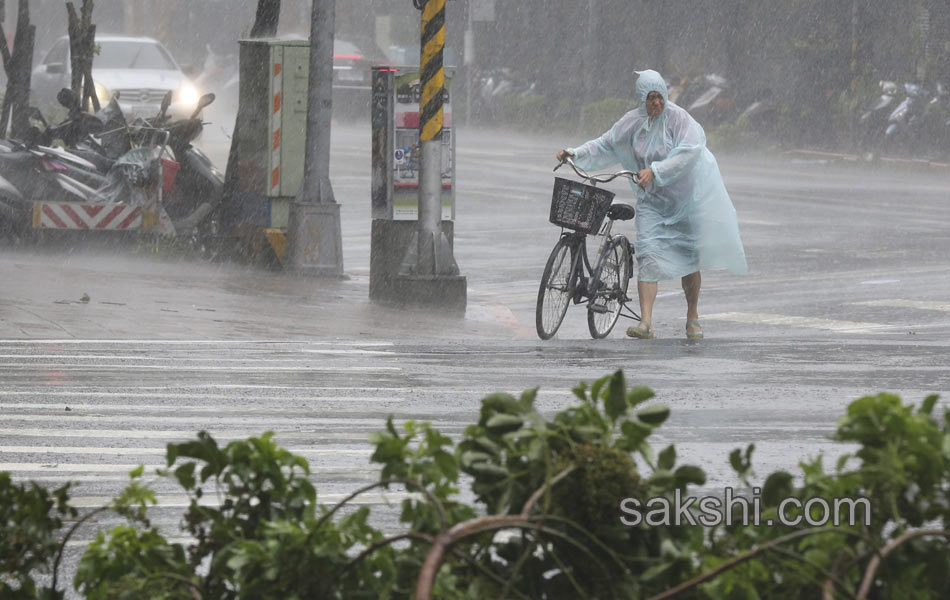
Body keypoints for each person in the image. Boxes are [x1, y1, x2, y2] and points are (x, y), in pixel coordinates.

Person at [556, 69, 747, 340]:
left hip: (685, 201)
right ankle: (646, 322)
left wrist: (656, 171)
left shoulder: (679, 119)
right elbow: (606, 143)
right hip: (652, 201)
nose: (656, 103)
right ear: (641, 99)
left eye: (659, 97)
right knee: (647, 254)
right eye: (650, 98)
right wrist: (575, 152)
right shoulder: (632, 122)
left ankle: (692, 315)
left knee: (689, 259)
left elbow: (689, 152)